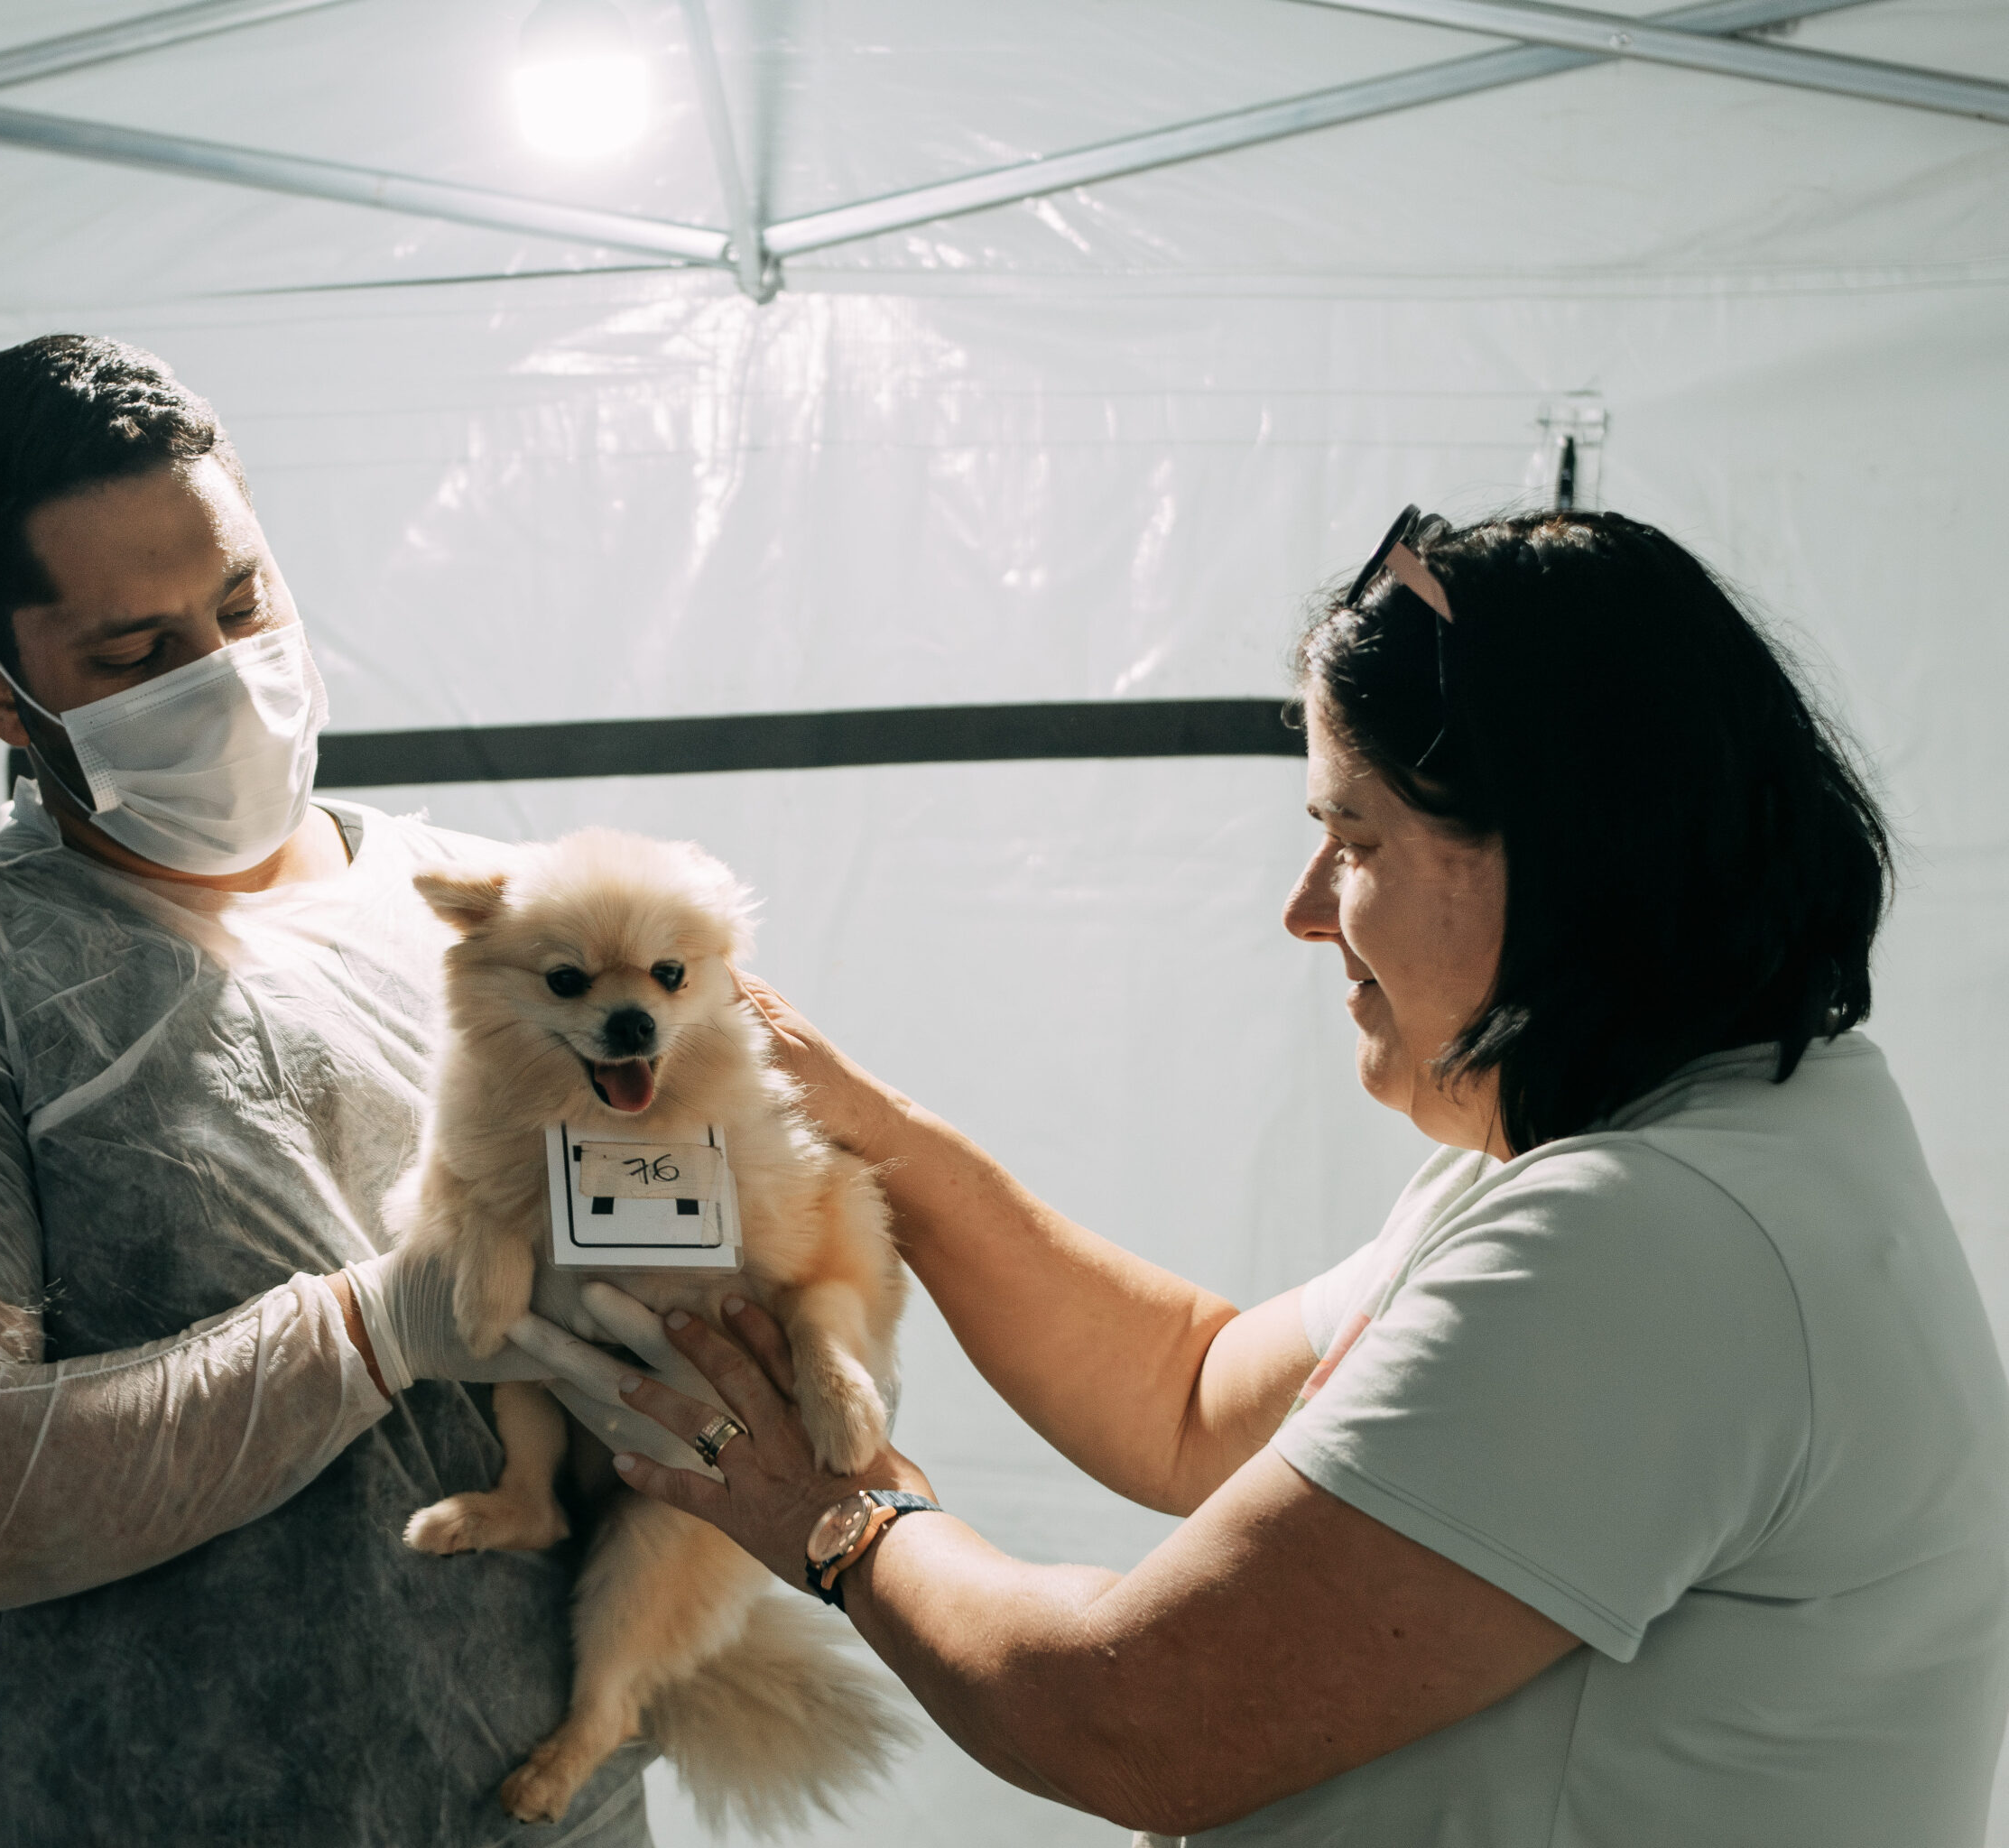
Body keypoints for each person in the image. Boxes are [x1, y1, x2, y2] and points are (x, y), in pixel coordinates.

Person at [588, 509, 2009, 1843]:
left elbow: (1131, 1712)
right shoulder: (1658, 1151)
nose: (1305, 908)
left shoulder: (1655, 1243)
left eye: (1357, 840)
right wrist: (869, 1126)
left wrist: (837, 1515)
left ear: (1570, 852)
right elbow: (1194, 1397)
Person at [0, 334, 675, 1847]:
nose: (224, 676)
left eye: (244, 603)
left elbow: (715, 1206)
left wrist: (712, 1346)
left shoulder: (508, 925)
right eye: (133, 654)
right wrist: (369, 1332)